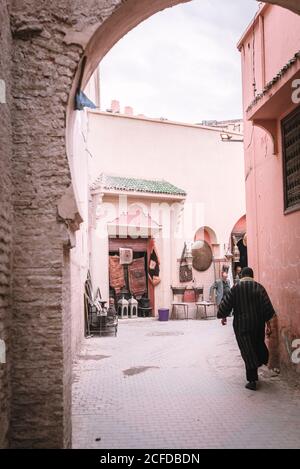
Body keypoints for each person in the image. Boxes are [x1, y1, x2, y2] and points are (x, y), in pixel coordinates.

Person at [217, 267, 276, 391]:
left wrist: (223, 316)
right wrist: (268, 324)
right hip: (257, 324)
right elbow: (267, 307)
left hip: (241, 325)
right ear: (252, 276)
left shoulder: (236, 289)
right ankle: (261, 359)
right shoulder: (259, 288)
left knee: (247, 351)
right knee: (256, 345)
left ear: (242, 276)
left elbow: (225, 305)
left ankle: (252, 380)